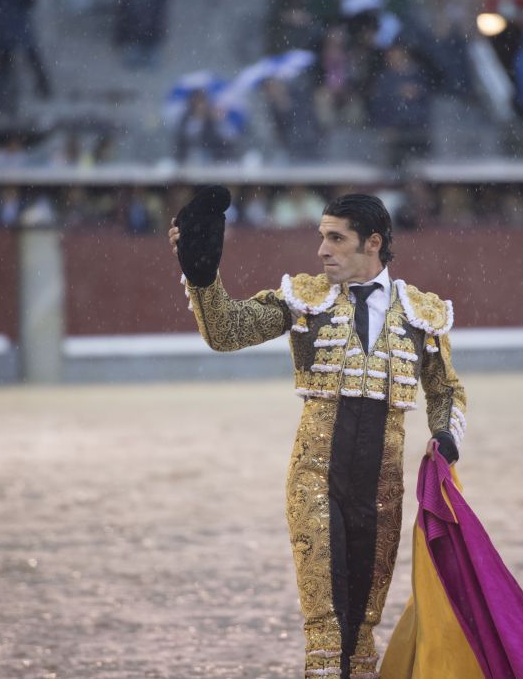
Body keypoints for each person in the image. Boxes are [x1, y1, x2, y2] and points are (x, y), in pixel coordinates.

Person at [168, 188, 466, 678]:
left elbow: (446, 389)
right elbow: (227, 331)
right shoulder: (307, 299)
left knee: (362, 628)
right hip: (315, 481)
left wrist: (446, 438)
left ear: (373, 243)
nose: (322, 250)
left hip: (382, 489)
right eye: (321, 236)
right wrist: (201, 277)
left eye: (335, 238)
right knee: (327, 630)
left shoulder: (421, 312)